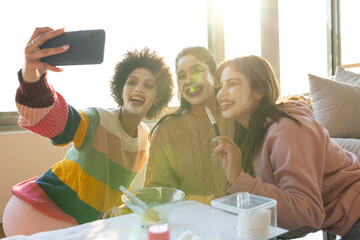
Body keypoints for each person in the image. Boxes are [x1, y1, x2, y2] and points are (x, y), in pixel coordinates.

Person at [2, 27, 174, 237]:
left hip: (78, 221)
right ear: (122, 89)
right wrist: (32, 78)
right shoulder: (97, 119)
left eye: (149, 85)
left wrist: (120, 209)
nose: (138, 89)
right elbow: (56, 119)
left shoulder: (145, 140)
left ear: (158, 97)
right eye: (132, 82)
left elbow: (116, 193)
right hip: (37, 209)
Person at [212, 55, 360, 238]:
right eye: (220, 86)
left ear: (259, 91)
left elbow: (307, 215)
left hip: (353, 216)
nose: (221, 94)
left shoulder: (287, 131)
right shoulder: (251, 132)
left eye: (232, 84)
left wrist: (240, 180)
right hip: (332, 225)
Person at [143, 46, 235, 204]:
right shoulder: (166, 131)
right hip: (188, 225)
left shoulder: (236, 118)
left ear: (214, 76)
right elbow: (158, 193)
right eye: (181, 75)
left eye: (197, 71)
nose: (188, 81)